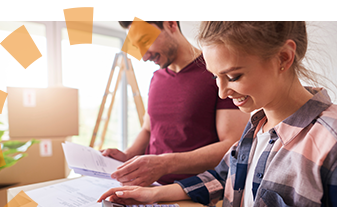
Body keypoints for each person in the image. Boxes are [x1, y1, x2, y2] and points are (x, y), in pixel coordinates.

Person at [98, 21, 337, 207]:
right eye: (215, 77)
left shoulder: (336, 144)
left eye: (234, 76)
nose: (222, 92)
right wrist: (153, 194)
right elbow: (222, 177)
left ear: (283, 58)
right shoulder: (256, 124)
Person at [102, 21, 249, 186]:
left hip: (192, 192)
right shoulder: (156, 78)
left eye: (145, 41)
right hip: (148, 187)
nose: (144, 56)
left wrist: (164, 164)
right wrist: (127, 155)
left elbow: (232, 145)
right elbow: (148, 129)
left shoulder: (216, 74)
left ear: (171, 24)